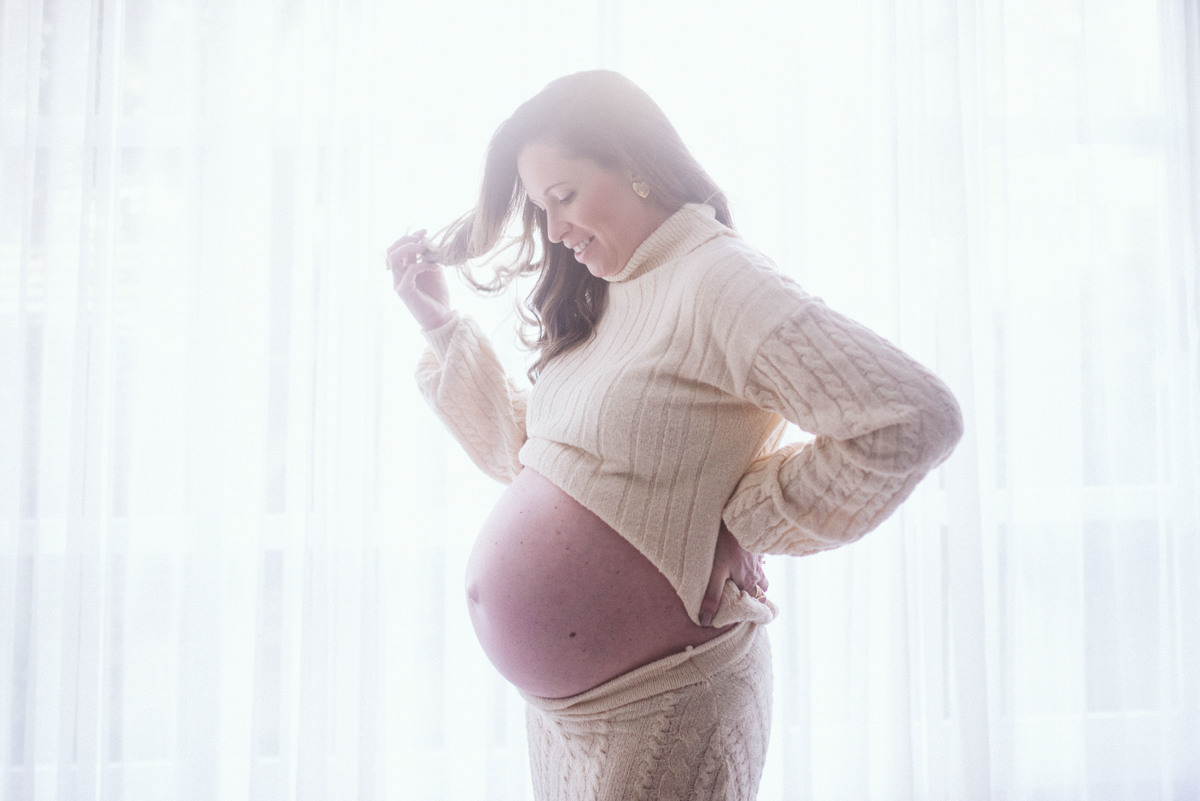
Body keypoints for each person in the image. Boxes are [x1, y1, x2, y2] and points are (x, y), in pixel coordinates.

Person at [385, 70, 963, 801]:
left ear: (635, 165)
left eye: (564, 195)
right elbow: (533, 457)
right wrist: (441, 325)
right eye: (540, 208)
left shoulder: (718, 279)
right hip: (565, 721)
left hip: (664, 712)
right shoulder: (611, 291)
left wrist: (740, 519)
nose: (554, 230)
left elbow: (911, 415)